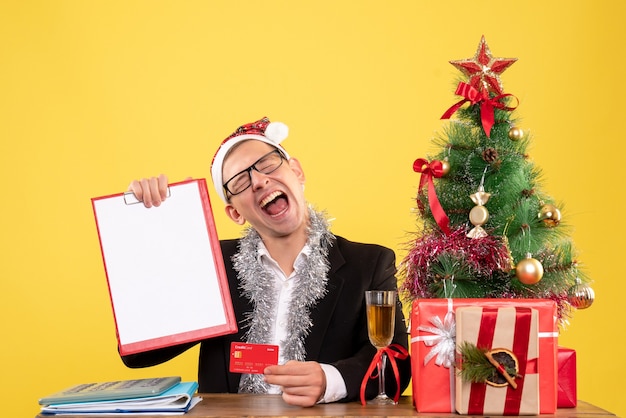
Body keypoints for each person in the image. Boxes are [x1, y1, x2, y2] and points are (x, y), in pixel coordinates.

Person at [122, 117, 411, 407]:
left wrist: (329, 380)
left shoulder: (370, 263)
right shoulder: (213, 264)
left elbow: (397, 364)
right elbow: (137, 353)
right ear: (235, 213)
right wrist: (153, 227)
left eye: (267, 163)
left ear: (296, 171)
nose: (259, 181)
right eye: (240, 181)